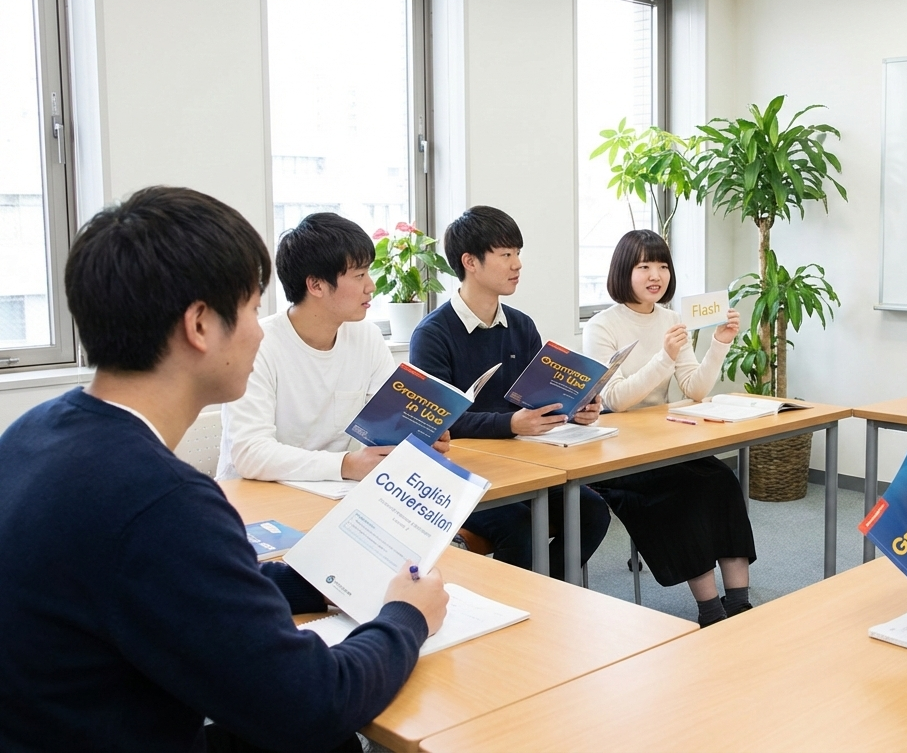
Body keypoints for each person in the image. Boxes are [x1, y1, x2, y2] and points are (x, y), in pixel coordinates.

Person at [0, 187, 448, 751]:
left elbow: (178, 586)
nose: (260, 329)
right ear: (200, 325)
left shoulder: (34, 432)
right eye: (247, 308)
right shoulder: (163, 502)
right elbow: (312, 702)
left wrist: (312, 579)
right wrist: (405, 617)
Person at [409, 205, 610, 580]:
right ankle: (528, 603)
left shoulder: (520, 325)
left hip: (524, 466)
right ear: (470, 261)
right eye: (505, 255)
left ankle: (547, 594)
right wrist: (510, 423)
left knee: (591, 511)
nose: (517, 264)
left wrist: (575, 407)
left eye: (517, 253)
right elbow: (437, 422)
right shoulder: (433, 334)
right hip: (462, 474)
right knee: (521, 530)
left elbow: (535, 400)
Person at [581, 229, 756, 627]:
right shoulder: (601, 326)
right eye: (644, 265)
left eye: (661, 265)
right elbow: (614, 399)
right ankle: (711, 611)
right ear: (624, 270)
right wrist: (664, 357)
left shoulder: (672, 318)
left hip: (662, 442)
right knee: (686, 494)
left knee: (722, 481)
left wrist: (720, 343)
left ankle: (740, 603)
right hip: (615, 448)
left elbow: (695, 388)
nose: (654, 274)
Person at [217, 212, 449, 483]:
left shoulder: (367, 337)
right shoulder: (259, 345)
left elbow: (387, 422)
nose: (371, 286)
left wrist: (420, 436)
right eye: (360, 275)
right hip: (256, 499)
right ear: (316, 285)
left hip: (332, 493)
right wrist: (346, 465)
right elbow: (250, 453)